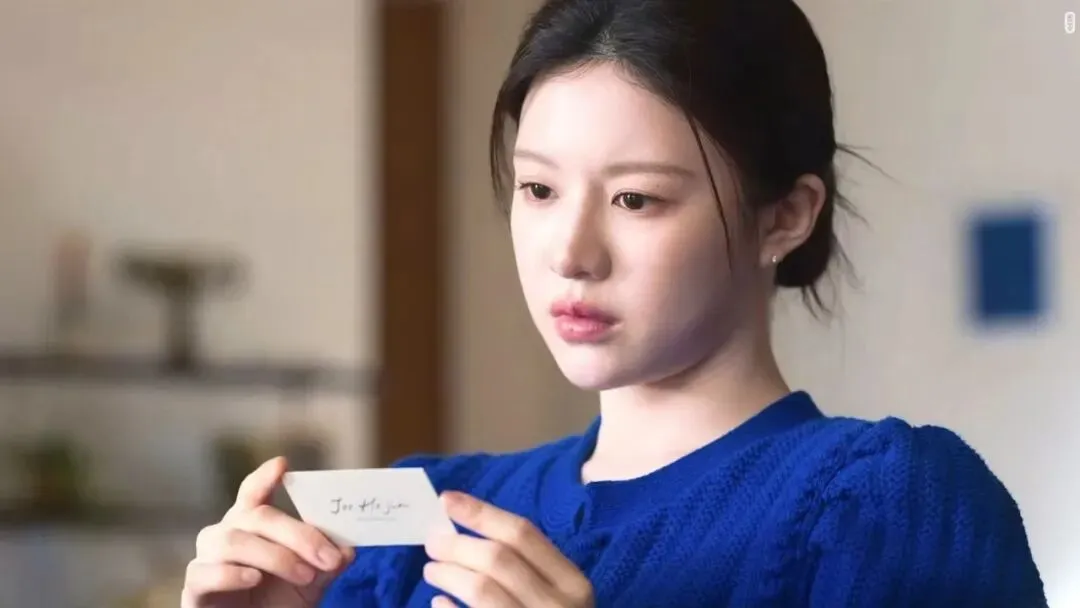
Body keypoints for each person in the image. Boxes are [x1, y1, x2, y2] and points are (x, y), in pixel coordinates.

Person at [181, 0, 1047, 606]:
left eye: (636, 199)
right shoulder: (413, 525)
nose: (570, 254)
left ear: (785, 216)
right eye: (538, 190)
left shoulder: (888, 506)